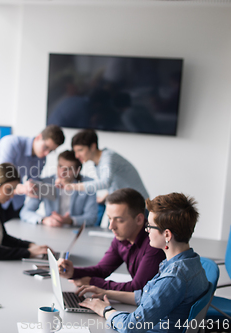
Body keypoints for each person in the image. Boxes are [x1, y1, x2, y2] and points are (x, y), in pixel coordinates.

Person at [76, 193, 208, 333]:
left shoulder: (173, 278)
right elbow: (147, 296)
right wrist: (106, 292)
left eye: (150, 226)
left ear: (167, 235)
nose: (147, 231)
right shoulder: (191, 261)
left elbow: (131, 326)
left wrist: (105, 310)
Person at [58, 188, 165, 291]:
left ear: (139, 219)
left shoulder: (154, 244)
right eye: (109, 218)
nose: (111, 226)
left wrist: (92, 282)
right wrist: (72, 272)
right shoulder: (121, 238)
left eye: (119, 220)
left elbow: (137, 288)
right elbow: (102, 270)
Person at [0, 125, 65, 219]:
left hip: (15, 200)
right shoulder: (12, 144)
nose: (46, 153)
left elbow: (34, 181)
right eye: (46, 147)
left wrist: (43, 189)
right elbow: (4, 178)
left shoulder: (41, 159)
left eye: (51, 151)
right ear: (38, 137)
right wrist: (24, 189)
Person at [0, 163, 51, 260]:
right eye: (9, 189)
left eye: (13, 190)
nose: (12, 195)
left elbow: (4, 239)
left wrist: (30, 245)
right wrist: (29, 252)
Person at [59, 129, 149, 203]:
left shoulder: (108, 157)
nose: (77, 156)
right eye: (75, 152)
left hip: (139, 205)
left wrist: (71, 186)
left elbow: (105, 183)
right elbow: (115, 184)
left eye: (80, 150)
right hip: (127, 203)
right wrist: (104, 197)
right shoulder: (98, 162)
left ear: (93, 146)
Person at [20, 150, 97, 227]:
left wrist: (71, 220)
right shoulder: (46, 182)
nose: (62, 172)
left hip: (74, 230)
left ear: (77, 170)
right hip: (51, 229)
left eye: (68, 169)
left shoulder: (88, 184)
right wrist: (44, 219)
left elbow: (91, 218)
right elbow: (25, 212)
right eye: (60, 166)